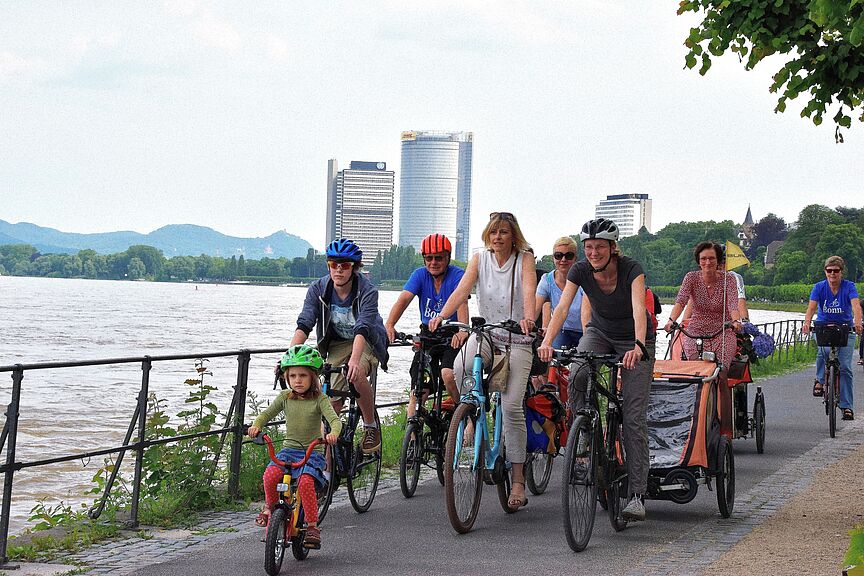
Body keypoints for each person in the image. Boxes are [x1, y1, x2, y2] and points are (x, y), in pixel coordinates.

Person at [538, 217, 654, 522]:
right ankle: (585, 430)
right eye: (588, 247)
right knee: (577, 372)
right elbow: (562, 307)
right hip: (600, 332)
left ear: (613, 248)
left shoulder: (631, 269)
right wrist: (547, 341)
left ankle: (637, 494)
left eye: (599, 247)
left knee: (633, 416)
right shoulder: (580, 270)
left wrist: (639, 347)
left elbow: (639, 309)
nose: (593, 253)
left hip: (634, 338)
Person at [429, 211, 537, 510]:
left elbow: (529, 291)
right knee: (460, 366)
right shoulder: (480, 259)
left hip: (517, 336)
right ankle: (473, 409)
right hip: (487, 332)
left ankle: (517, 479)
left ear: (513, 235)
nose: (498, 237)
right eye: (493, 232)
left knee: (513, 405)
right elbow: (461, 291)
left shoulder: (524, 258)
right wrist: (441, 315)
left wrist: (529, 318)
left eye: (503, 232)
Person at [291, 238, 388, 453]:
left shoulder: (367, 290)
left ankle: (370, 425)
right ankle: (326, 472)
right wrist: (289, 358)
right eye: (334, 264)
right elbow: (305, 322)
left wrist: (354, 361)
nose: (339, 270)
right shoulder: (318, 289)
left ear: (354, 268)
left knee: (356, 373)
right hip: (336, 343)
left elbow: (363, 326)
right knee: (331, 403)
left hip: (367, 341)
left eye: (344, 265)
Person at [248, 345, 341, 549]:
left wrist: (333, 434)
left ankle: (312, 526)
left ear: (313, 378)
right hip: (289, 450)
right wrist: (256, 426)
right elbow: (266, 414)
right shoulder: (285, 397)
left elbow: (335, 420)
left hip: (312, 452)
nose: (297, 381)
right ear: (286, 377)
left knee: (306, 483)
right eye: (292, 376)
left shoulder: (320, 399)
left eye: (302, 376)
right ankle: (270, 509)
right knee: (270, 476)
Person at [384, 233, 469, 417]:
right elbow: (404, 299)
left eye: (438, 258)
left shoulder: (457, 275)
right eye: (429, 258)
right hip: (428, 334)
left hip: (452, 332)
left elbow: (462, 301)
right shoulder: (420, 275)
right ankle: (413, 436)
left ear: (447, 258)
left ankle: (462, 414)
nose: (433, 262)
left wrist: (463, 329)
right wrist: (390, 324)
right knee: (418, 387)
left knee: (448, 374)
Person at [663, 241, 742, 438]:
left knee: (721, 374)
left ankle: (726, 428)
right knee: (695, 375)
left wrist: (735, 320)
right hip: (696, 330)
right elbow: (681, 300)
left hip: (722, 330)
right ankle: (692, 425)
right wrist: (671, 320)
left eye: (711, 259)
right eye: (703, 259)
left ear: (718, 261)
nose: (707, 262)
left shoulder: (728, 279)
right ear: (698, 261)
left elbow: (733, 302)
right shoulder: (691, 278)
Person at [802, 255, 862, 420]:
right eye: (829, 271)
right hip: (824, 327)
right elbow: (811, 308)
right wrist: (807, 323)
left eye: (836, 271)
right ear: (825, 272)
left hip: (845, 329)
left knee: (845, 368)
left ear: (841, 272)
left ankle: (847, 406)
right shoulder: (819, 287)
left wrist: (858, 324)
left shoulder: (849, 287)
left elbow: (856, 306)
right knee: (823, 351)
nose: (832, 274)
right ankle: (820, 380)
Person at [535, 236, 585, 349]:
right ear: (553, 258)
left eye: (569, 256)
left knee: (584, 360)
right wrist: (528, 323)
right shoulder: (547, 280)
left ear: (575, 258)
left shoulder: (584, 279)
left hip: (584, 329)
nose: (563, 260)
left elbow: (586, 313)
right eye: (558, 255)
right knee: (550, 354)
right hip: (562, 329)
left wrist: (587, 338)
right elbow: (537, 307)